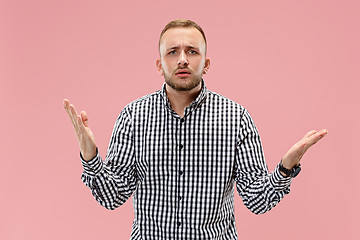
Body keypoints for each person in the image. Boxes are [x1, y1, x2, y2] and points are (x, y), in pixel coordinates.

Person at [64, 19, 327, 240]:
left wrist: (286, 167)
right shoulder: (133, 117)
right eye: (172, 52)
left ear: (206, 63)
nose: (182, 60)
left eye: (192, 51)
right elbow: (112, 197)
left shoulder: (236, 118)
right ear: (159, 65)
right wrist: (91, 158)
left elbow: (256, 200)